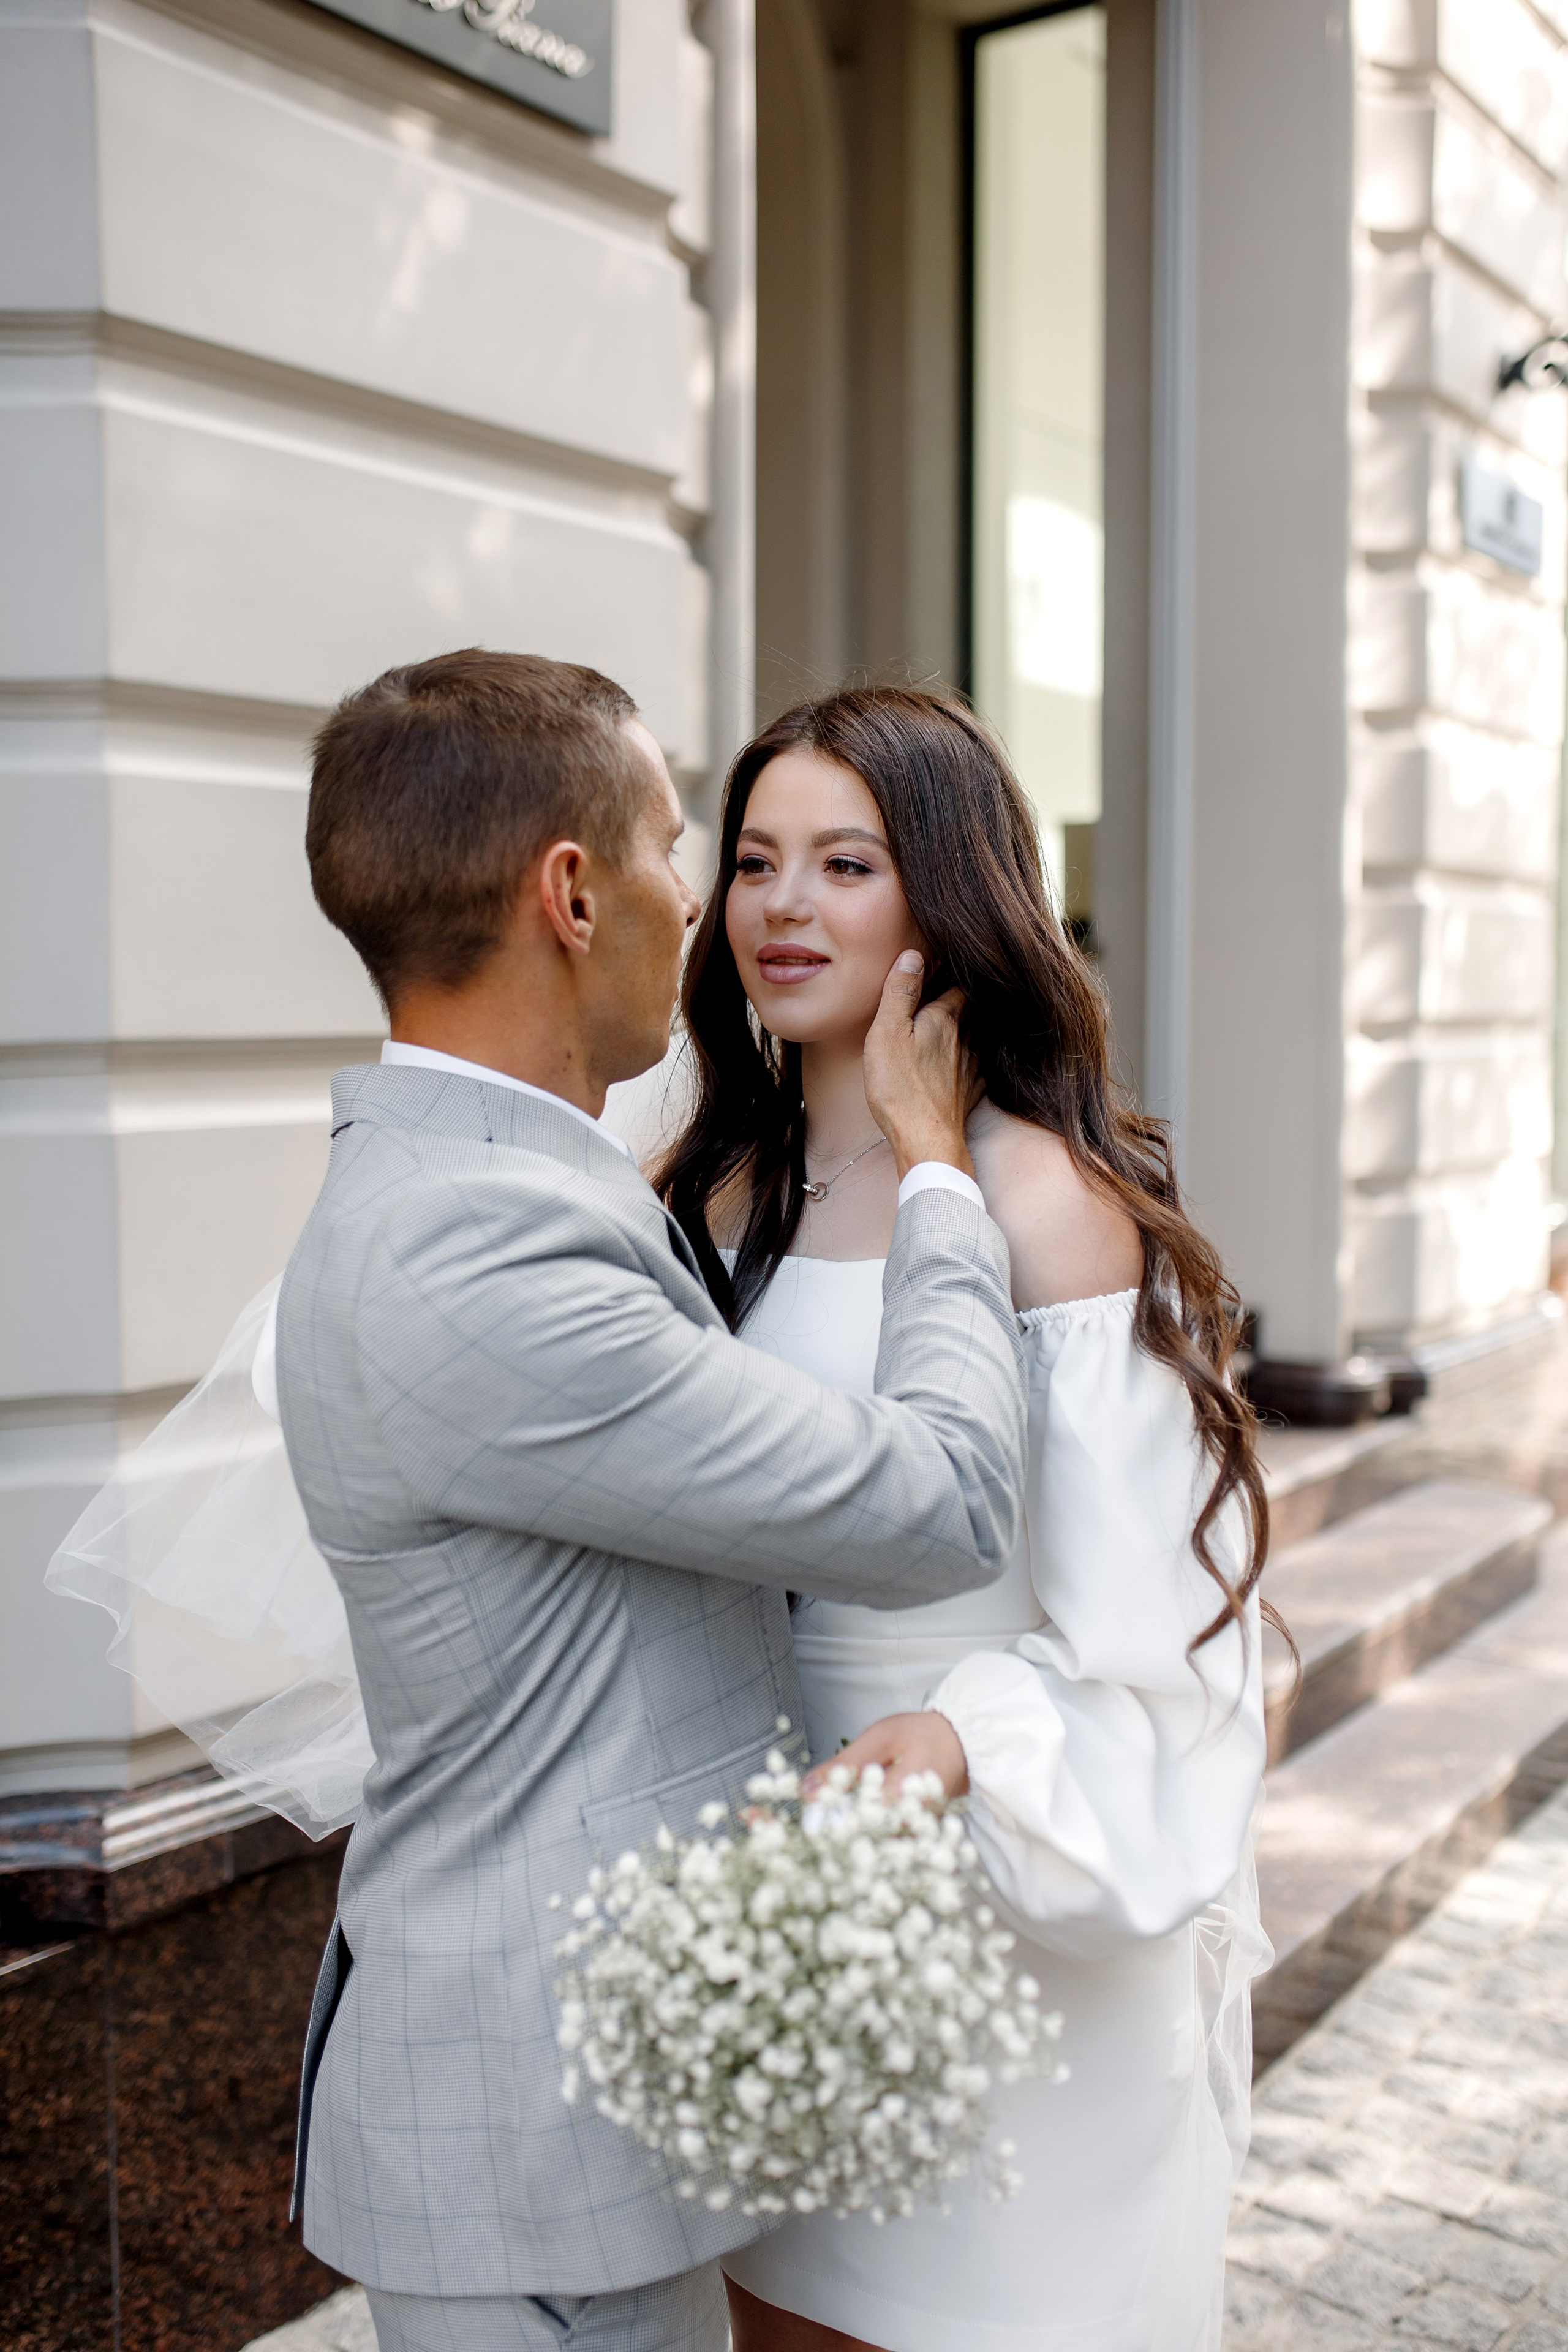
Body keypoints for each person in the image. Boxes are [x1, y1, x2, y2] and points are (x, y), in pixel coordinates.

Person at [267, 652, 1028, 2352]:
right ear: (571, 892)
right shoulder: (482, 1249)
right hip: (530, 2142)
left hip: (579, 2114)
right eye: (692, 846)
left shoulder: (501, 1184)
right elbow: (949, 1500)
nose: (709, 900)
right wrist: (937, 1176)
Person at [652, 687, 1274, 2352]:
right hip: (785, 1907)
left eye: (845, 863)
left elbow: (1159, 1646)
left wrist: (957, 1744)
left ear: (946, 890)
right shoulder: (722, 1190)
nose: (784, 908)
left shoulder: (1042, 1203)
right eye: (757, 862)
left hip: (1018, 1881)